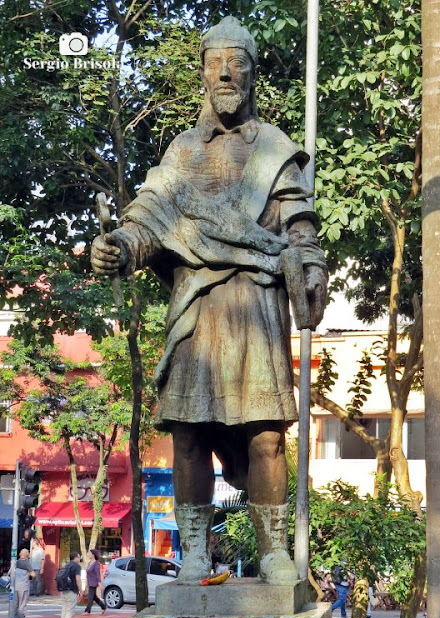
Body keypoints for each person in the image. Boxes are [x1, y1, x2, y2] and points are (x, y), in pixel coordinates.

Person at [91, 16, 328, 585]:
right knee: (188, 433)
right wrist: (119, 248)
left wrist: (307, 262)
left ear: (252, 72)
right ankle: (193, 552)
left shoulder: (276, 150)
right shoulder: (179, 153)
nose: (226, 72)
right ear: (201, 72)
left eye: (237, 62)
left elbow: (301, 232)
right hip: (196, 308)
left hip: (256, 309)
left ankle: (273, 553)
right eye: (216, 62)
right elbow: (147, 221)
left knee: (266, 434)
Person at [60, 552, 82, 618]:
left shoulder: (66, 565)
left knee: (64, 609)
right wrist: (81, 590)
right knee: (69, 610)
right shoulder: (77, 566)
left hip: (64, 590)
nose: (80, 559)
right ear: (76, 557)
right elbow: (78, 579)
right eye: (79, 557)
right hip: (72, 590)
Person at [13, 548, 35, 618]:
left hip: (15, 586)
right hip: (24, 586)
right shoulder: (27, 563)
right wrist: (29, 578)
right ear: (27, 555)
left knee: (15, 604)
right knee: (22, 605)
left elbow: (10, 573)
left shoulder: (16, 562)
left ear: (20, 554)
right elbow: (33, 574)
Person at [82, 549, 106, 615]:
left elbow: (97, 574)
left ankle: (87, 610)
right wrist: (86, 582)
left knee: (90, 596)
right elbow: (87, 573)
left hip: (94, 582)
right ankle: (103, 606)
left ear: (93, 555)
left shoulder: (96, 563)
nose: (88, 554)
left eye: (89, 553)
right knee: (94, 597)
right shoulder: (89, 563)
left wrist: (99, 583)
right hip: (90, 582)